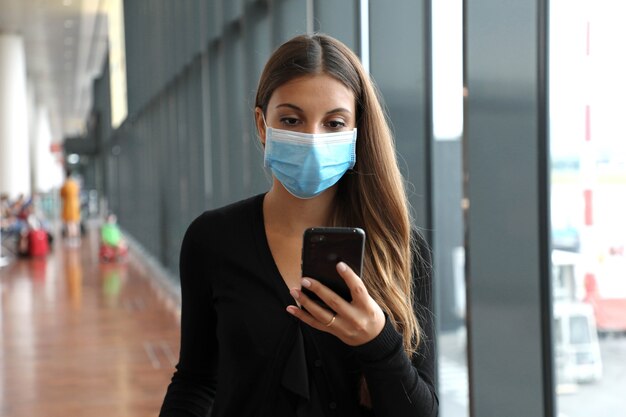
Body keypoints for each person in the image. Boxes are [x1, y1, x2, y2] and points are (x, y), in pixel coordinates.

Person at [159, 33, 438, 417]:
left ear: (357, 131)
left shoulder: (398, 250)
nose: (312, 138)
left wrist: (377, 340)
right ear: (262, 125)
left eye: (334, 122)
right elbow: (196, 381)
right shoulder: (212, 240)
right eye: (291, 119)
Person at [60, 170, 81, 245]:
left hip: (68, 205)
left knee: (69, 224)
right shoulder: (75, 184)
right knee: (74, 223)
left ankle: (71, 239)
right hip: (75, 205)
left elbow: (61, 195)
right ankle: (76, 239)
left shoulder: (65, 184)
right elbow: (78, 193)